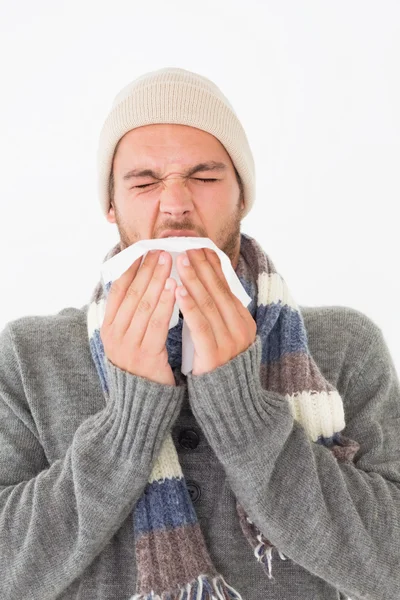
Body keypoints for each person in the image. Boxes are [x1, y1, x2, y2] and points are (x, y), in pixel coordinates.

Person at [0, 67, 399, 600]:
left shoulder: (345, 345)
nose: (175, 204)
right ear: (111, 205)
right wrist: (127, 422)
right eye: (143, 182)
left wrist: (242, 408)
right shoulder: (30, 357)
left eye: (205, 177)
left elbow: (389, 566)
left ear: (242, 196)